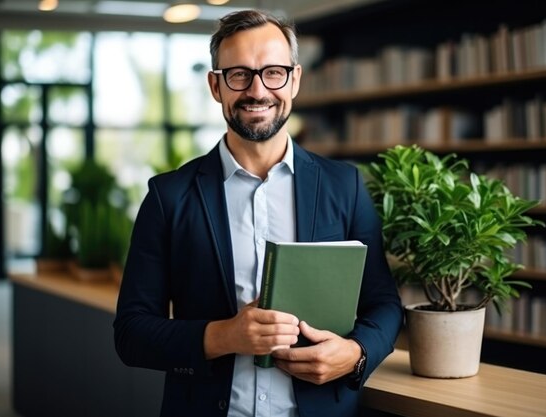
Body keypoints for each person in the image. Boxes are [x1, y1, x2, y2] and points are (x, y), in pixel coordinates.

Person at [113, 9, 403, 417]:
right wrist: (223, 336)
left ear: (295, 79)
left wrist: (355, 353)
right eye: (239, 75)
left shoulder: (346, 186)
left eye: (273, 73)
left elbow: (385, 304)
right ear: (216, 85)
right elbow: (131, 333)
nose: (257, 90)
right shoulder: (169, 196)